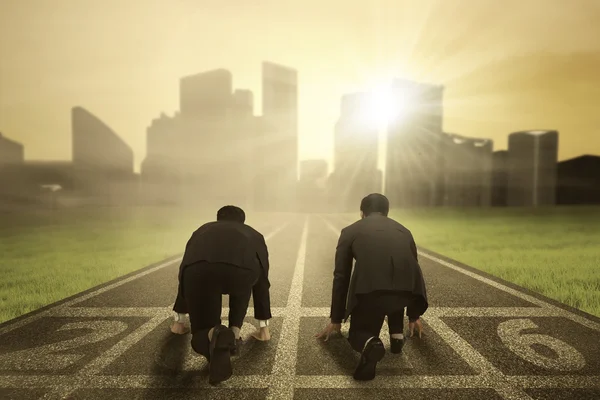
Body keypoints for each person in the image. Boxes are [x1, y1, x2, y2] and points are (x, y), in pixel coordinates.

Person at [315, 193, 428, 381]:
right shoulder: (404, 230)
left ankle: (371, 344)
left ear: (362, 213)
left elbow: (341, 276)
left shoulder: (350, 231)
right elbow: (412, 268)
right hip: (408, 291)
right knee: (395, 282)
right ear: (387, 212)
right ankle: (396, 335)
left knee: (358, 334)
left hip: (371, 292)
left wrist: (336, 318)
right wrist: (414, 314)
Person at [171, 205, 272, 385]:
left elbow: (185, 270)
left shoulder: (201, 230)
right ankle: (234, 333)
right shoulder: (254, 234)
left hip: (200, 273)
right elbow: (262, 279)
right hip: (241, 274)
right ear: (243, 221)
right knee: (246, 278)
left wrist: (179, 320)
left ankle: (212, 333)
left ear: (218, 219)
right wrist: (263, 327)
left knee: (199, 336)